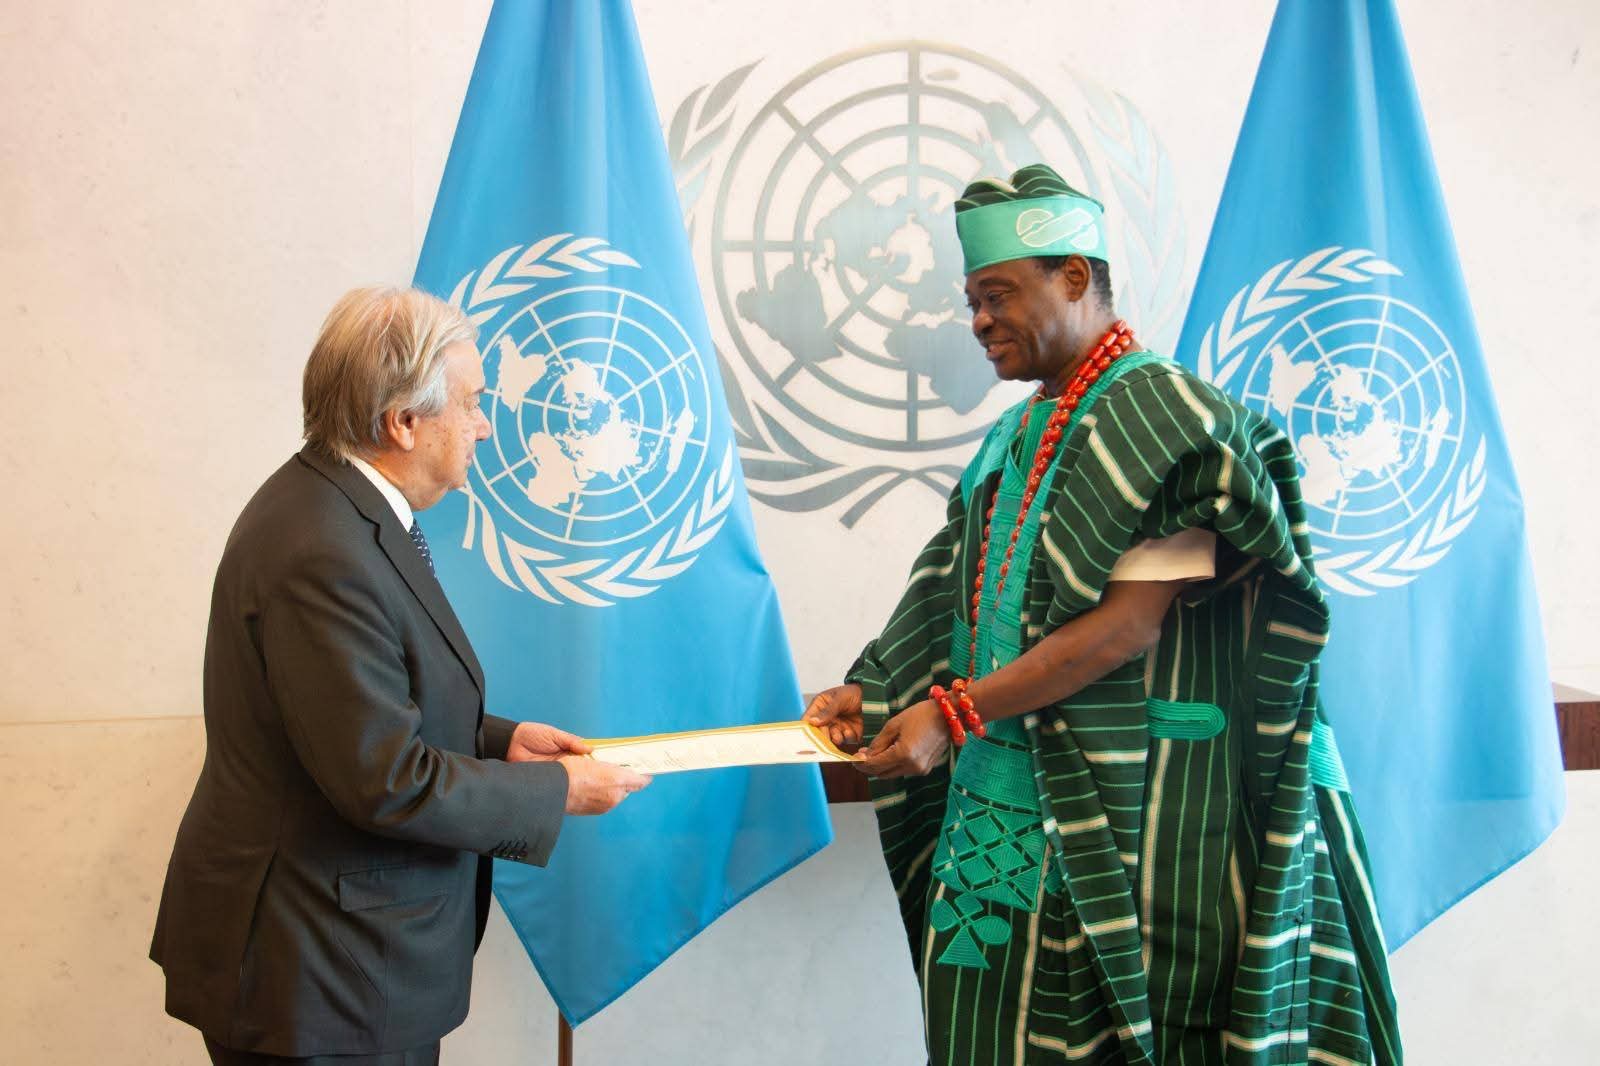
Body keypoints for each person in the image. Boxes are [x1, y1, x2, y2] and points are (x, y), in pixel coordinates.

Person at [808, 166, 1401, 1064]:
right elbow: (953, 586)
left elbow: (1128, 627)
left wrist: (955, 714)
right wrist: (881, 689)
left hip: (1147, 822)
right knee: (991, 1029)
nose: (979, 322)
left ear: (1076, 277)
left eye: (998, 295)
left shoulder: (1165, 418)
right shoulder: (1022, 430)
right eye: (972, 302)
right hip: (1006, 797)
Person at [150, 287, 650, 1065]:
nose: (485, 425)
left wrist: (500, 741)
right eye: (473, 403)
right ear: (404, 422)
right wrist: (553, 791)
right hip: (319, 974)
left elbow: (361, 704)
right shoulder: (323, 549)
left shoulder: (337, 505)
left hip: (342, 963)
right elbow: (384, 778)